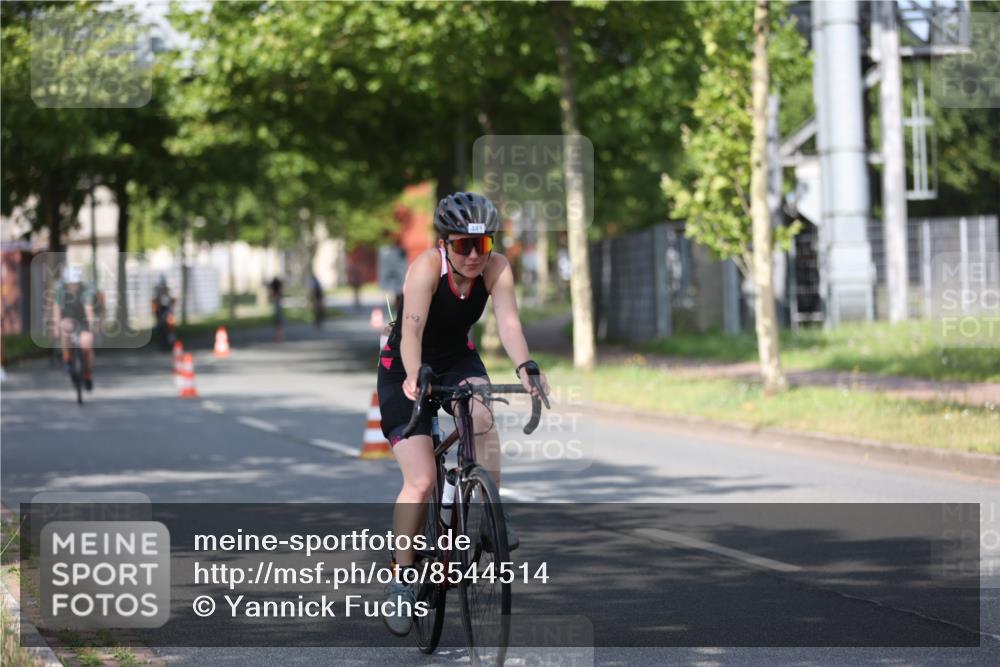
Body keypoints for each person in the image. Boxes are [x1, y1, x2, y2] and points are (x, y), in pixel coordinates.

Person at [377, 191, 549, 636]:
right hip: (406, 366)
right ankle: (401, 578)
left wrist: (525, 366)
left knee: (483, 415)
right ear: (445, 243)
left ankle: (490, 513)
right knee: (421, 480)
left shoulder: (496, 268)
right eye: (462, 246)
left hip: (457, 357)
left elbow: (509, 323)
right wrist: (415, 378)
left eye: (483, 245)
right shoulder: (425, 269)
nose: (474, 256)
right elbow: (411, 330)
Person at [53, 265, 97, 390]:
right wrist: (56, 327)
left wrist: (92, 326)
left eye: (76, 283)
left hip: (83, 320)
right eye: (71, 284)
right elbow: (56, 309)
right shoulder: (61, 290)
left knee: (87, 343)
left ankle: (88, 373)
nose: (73, 286)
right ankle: (66, 358)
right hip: (69, 318)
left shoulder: (86, 290)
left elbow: (88, 309)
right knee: (65, 326)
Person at [268, 276, 284, 342]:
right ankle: (278, 336)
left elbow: (272, 292)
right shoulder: (278, 300)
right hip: (278, 302)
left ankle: (278, 336)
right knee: (278, 321)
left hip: (277, 302)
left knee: (278, 321)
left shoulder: (276, 300)